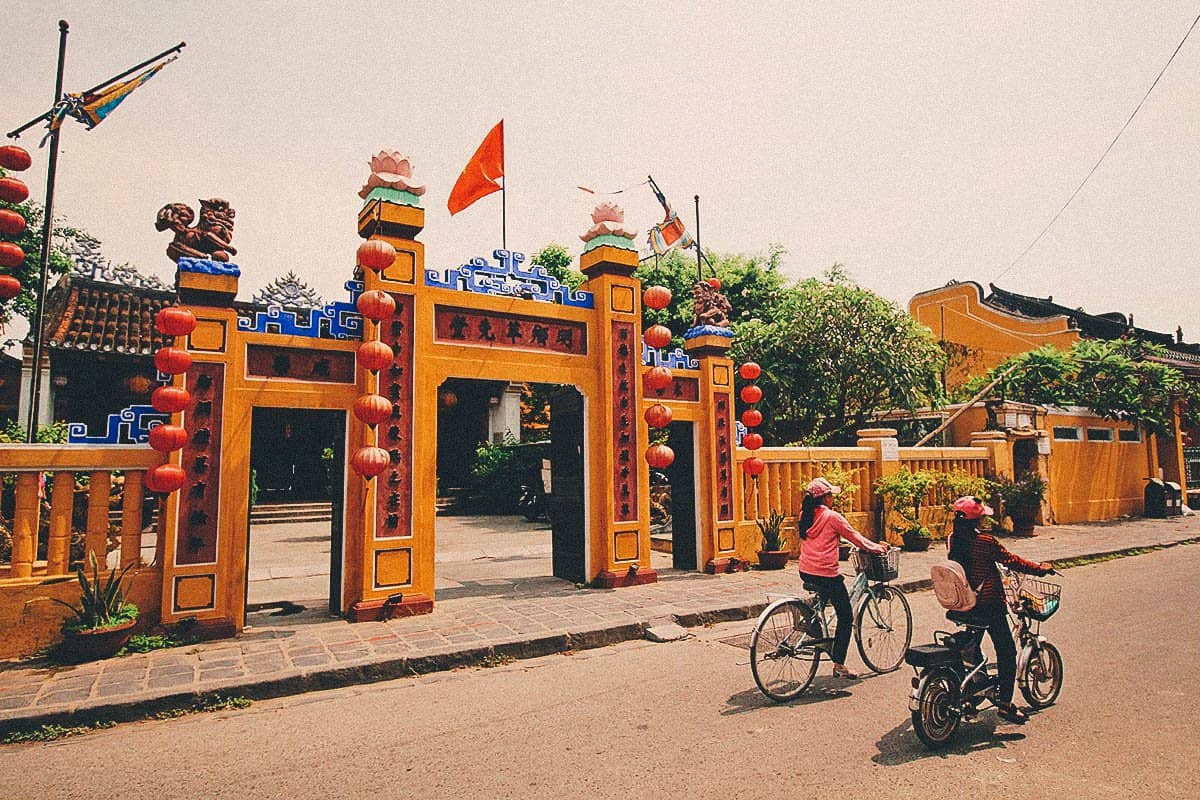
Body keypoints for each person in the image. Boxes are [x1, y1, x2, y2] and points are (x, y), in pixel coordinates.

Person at [947, 495, 1053, 724]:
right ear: (976, 521)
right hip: (989, 606)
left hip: (965, 603)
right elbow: (1011, 560)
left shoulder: (953, 540)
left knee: (971, 645)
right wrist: (1040, 568)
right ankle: (1005, 704)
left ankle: (971, 695)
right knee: (1006, 652)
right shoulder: (985, 542)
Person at [797, 477, 889, 679]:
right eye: (831, 495)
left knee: (826, 598)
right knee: (846, 616)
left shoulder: (806, 515)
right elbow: (856, 538)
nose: (832, 499)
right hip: (825, 573)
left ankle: (812, 621)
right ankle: (839, 663)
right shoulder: (832, 517)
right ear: (825, 498)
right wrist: (877, 548)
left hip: (805, 569)